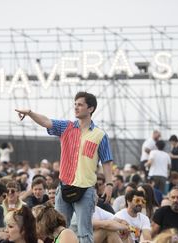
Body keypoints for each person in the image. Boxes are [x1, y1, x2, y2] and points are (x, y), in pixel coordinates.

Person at [15, 91, 114, 243]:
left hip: (86, 189)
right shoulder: (66, 127)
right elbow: (46, 122)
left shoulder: (100, 135)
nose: (76, 107)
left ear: (91, 109)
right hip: (64, 187)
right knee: (57, 229)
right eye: (75, 104)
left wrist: (109, 184)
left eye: (80, 104)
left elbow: (106, 162)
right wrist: (30, 113)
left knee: (84, 233)